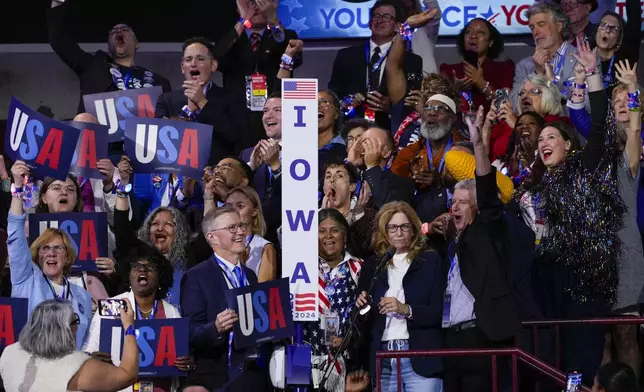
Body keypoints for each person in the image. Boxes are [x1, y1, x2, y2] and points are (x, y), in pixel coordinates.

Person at [516, 38, 622, 384]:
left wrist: (591, 75)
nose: (544, 142)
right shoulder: (534, 189)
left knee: (580, 363)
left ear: (568, 144)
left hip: (586, 277)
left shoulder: (585, 168)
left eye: (552, 137)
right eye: (541, 139)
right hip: (548, 279)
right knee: (552, 367)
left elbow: (603, 132)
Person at [439, 106, 521, 392]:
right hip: (453, 340)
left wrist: (477, 146)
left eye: (462, 202)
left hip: (482, 337)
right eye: (453, 202)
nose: (455, 207)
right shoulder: (454, 243)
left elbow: (487, 196)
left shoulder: (487, 229)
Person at [356, 201, 445, 391]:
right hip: (383, 359)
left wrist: (406, 309)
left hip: (420, 357)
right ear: (384, 231)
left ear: (413, 230)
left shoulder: (429, 261)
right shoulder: (372, 266)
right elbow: (364, 321)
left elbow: (438, 313)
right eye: (393, 227)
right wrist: (362, 306)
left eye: (405, 226)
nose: (399, 232)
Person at [84, 244, 195, 392]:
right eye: (136, 266)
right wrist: (93, 359)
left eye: (150, 267)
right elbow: (88, 352)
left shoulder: (171, 311)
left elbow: (183, 357)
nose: (143, 270)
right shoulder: (110, 307)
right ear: (128, 274)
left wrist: (187, 363)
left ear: (160, 276)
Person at [180, 205, 267, 391]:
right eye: (232, 228)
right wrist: (216, 327)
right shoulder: (197, 276)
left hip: (249, 376)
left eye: (242, 226)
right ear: (212, 237)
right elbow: (189, 332)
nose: (241, 232)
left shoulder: (250, 276)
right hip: (214, 378)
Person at [8, 161, 93, 349]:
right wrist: (17, 188)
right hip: (33, 370)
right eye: (44, 248)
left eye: (58, 248)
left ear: (68, 257)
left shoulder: (83, 297)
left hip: (70, 372)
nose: (51, 254)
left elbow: (86, 342)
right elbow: (14, 233)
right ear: (37, 255)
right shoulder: (26, 280)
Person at [47, 0, 171, 113]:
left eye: (124, 29)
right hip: (98, 134)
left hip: (138, 135)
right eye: (113, 32)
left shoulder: (159, 82)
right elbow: (59, 41)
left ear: (137, 43)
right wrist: (58, 3)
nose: (119, 32)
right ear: (108, 46)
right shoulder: (92, 66)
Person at [0, 299, 138, 392]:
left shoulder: (9, 352)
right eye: (75, 321)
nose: (77, 327)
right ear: (64, 330)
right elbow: (128, 375)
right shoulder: (77, 366)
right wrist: (129, 327)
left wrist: (88, 359)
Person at [328, 0, 423, 128]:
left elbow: (412, 102)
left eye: (386, 17)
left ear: (397, 26)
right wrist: (346, 101)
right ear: (369, 23)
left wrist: (391, 106)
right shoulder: (346, 55)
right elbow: (333, 92)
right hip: (351, 127)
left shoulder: (411, 61)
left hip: (390, 129)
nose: (380, 20)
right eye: (376, 16)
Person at [154, 37, 248, 166]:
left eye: (200, 59)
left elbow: (234, 136)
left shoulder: (232, 97)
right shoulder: (166, 100)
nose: (193, 64)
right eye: (188, 59)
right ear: (182, 67)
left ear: (213, 65)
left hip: (216, 174)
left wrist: (203, 103)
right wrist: (188, 111)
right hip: (178, 173)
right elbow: (160, 142)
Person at [305, 209, 364, 391]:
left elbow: (367, 318)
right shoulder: (301, 269)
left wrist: (352, 340)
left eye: (334, 230)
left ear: (344, 235)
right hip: (307, 363)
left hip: (348, 363)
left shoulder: (359, 267)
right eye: (321, 231)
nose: (328, 236)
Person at [511, 3, 578, 109]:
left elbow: (588, 105)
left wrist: (553, 83)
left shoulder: (581, 59)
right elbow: (514, 106)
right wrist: (537, 74)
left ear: (559, 26)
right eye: (532, 27)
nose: (536, 32)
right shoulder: (524, 66)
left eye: (541, 24)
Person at [440, 18, 514, 113]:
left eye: (481, 33)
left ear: (490, 42)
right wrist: (455, 90)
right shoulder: (448, 70)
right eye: (468, 32)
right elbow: (440, 109)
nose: (473, 36)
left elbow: (505, 103)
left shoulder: (504, 68)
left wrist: (481, 83)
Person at [347, 127, 415, 209]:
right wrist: (350, 163)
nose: (364, 146)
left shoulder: (402, 185)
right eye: (363, 141)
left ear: (386, 153)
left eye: (371, 143)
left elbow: (387, 208)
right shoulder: (351, 175)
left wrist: (371, 166)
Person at [224, 185, 277, 282]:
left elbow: (264, 294)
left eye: (240, 206)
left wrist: (241, 266)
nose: (233, 211)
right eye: (228, 206)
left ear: (254, 212)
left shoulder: (264, 247)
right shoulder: (220, 244)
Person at [593, 0, 640, 96]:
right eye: (603, 25)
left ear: (619, 38)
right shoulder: (585, 54)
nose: (607, 31)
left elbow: (634, 20)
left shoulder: (626, 57)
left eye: (614, 29)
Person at [396, 0, 442, 75]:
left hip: (426, 83)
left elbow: (434, 11)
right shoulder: (390, 28)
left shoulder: (426, 26)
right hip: (398, 82)